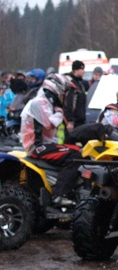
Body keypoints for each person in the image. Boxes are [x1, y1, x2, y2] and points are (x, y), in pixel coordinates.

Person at [20, 73, 82, 207]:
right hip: (37, 147)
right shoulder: (38, 102)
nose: (66, 95)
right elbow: (49, 123)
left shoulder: (47, 103)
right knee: (75, 155)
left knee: (81, 150)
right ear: (57, 89)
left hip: (46, 145)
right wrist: (59, 111)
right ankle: (60, 195)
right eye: (65, 92)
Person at [64, 60, 88, 130]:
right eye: (81, 69)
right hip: (74, 121)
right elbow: (69, 104)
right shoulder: (71, 84)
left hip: (80, 121)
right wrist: (70, 121)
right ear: (75, 70)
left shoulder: (80, 84)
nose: (83, 71)